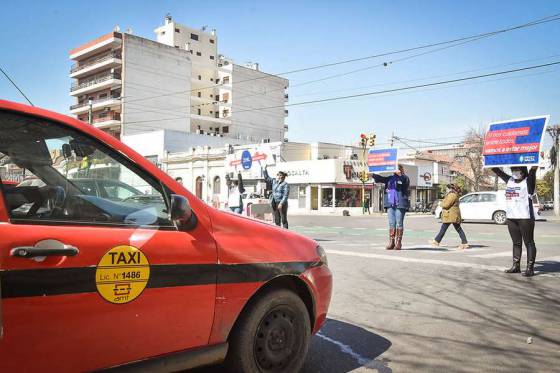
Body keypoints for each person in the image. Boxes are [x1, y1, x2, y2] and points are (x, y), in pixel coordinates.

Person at [492, 166, 538, 277]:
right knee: (516, 243)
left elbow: (533, 170)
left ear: (523, 171)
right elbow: (497, 171)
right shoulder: (510, 180)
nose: (514, 172)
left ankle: (529, 268)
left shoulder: (528, 181)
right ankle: (516, 266)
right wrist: (489, 160)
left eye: (517, 170)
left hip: (525, 217)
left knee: (529, 242)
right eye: (513, 170)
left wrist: (534, 167)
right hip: (511, 217)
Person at [371, 164, 410, 250]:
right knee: (391, 223)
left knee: (399, 223)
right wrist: (372, 175)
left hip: (400, 204)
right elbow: (380, 178)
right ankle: (391, 242)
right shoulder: (390, 178)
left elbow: (405, 183)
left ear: (400, 169)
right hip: (390, 203)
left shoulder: (404, 178)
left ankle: (398, 242)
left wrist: (400, 175)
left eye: (396, 168)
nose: (394, 170)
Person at [429, 184, 469, 249]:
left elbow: (446, 205)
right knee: (449, 228)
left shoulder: (452, 195)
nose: (446, 190)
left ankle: (464, 243)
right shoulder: (452, 194)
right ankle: (436, 241)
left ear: (450, 189)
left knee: (454, 229)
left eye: (447, 189)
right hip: (451, 215)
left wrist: (440, 204)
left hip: (451, 215)